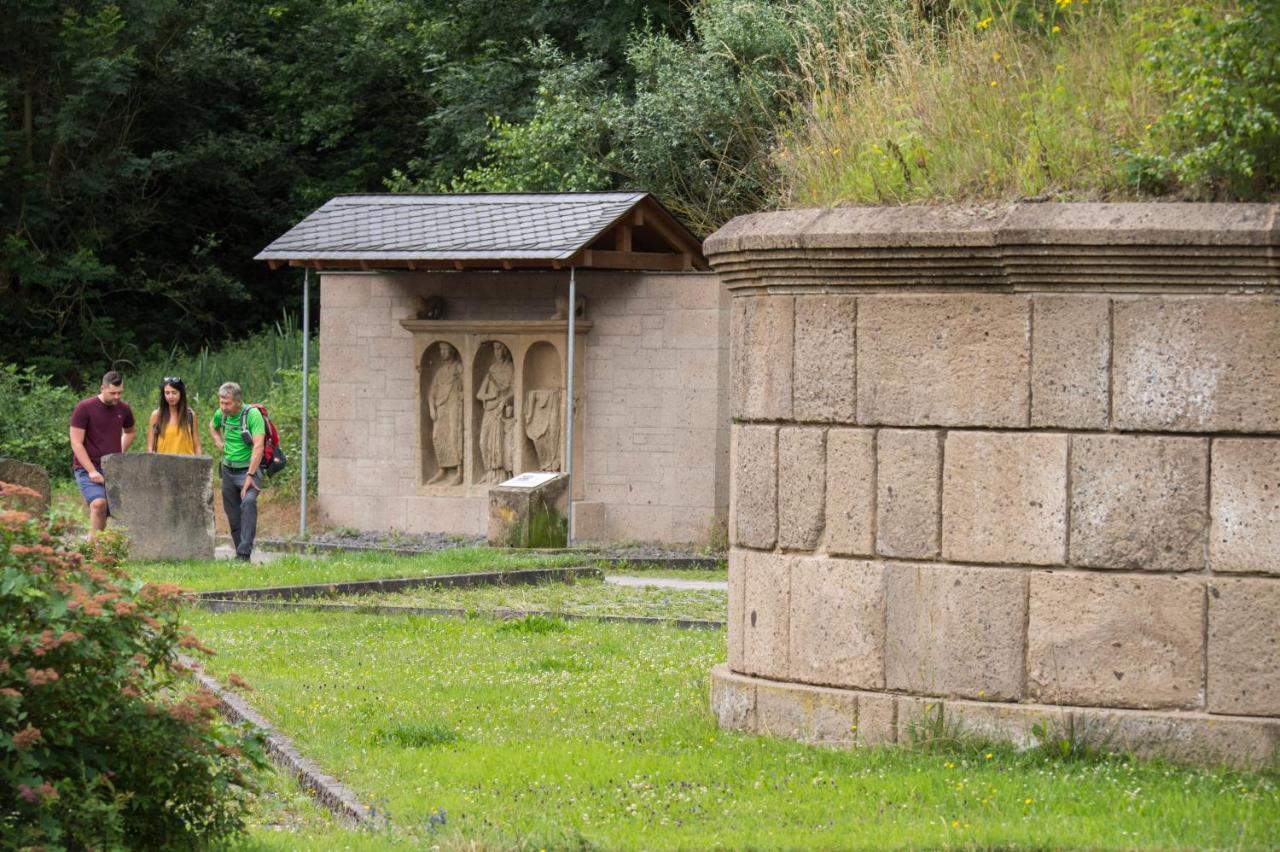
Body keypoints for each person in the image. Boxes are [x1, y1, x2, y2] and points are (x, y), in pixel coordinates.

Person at [69, 371, 137, 532]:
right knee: (99, 504)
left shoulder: (124, 409)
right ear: (102, 388)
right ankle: (95, 550)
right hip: (87, 467)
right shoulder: (84, 408)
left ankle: (95, 546)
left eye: (120, 393)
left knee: (108, 510)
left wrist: (118, 453)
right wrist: (92, 471)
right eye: (113, 393)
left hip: (112, 468)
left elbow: (130, 432)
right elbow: (76, 443)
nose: (117, 397)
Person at [208, 382, 264, 562]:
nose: (223, 407)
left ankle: (243, 552)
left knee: (248, 504)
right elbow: (212, 425)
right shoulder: (221, 414)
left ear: (238, 402)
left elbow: (259, 446)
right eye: (221, 403)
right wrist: (218, 440)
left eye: (227, 403)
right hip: (227, 471)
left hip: (248, 470)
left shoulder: (252, 415)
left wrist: (250, 475)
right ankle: (242, 556)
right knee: (232, 514)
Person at [476, 341, 514, 483]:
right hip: (490, 409)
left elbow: (514, 389)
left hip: (501, 409)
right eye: (494, 349)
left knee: (498, 442)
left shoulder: (510, 368)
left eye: (499, 349)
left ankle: (500, 475)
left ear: (504, 350)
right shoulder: (492, 369)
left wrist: (504, 400)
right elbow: (479, 394)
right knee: (483, 441)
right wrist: (492, 396)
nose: (497, 352)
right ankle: (488, 471)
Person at [426, 342, 463, 485]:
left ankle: (459, 471)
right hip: (441, 408)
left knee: (454, 436)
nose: (443, 352)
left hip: (454, 406)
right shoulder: (440, 372)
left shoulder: (458, 368)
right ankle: (442, 469)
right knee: (437, 437)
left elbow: (466, 385)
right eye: (441, 350)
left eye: (445, 349)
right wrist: (432, 408)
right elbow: (431, 393)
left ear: (452, 351)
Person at [146, 376, 203, 456]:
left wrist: (199, 463)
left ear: (181, 393)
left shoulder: (190, 415)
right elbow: (150, 447)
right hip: (163, 464)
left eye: (174, 393)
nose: (170, 397)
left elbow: (197, 446)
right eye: (167, 393)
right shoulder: (156, 415)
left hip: (187, 464)